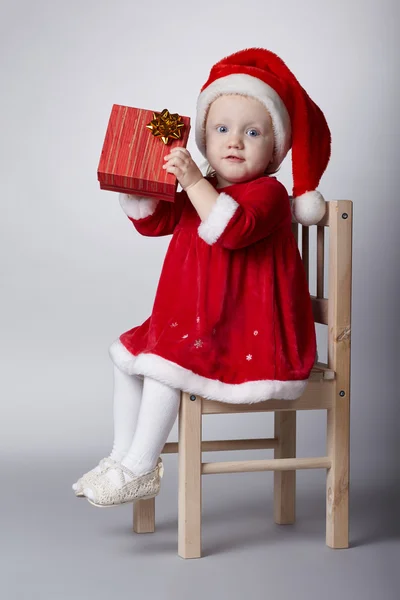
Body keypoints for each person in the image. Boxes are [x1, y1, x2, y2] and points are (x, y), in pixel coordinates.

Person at [73, 47, 331, 508]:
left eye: (252, 132)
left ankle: (140, 467)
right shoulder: (205, 185)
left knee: (164, 364)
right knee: (129, 354)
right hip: (199, 320)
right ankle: (122, 457)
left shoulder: (268, 194)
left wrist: (194, 182)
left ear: (274, 149)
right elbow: (154, 222)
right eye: (222, 129)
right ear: (205, 140)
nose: (235, 141)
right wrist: (142, 184)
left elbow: (232, 230)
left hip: (252, 331)